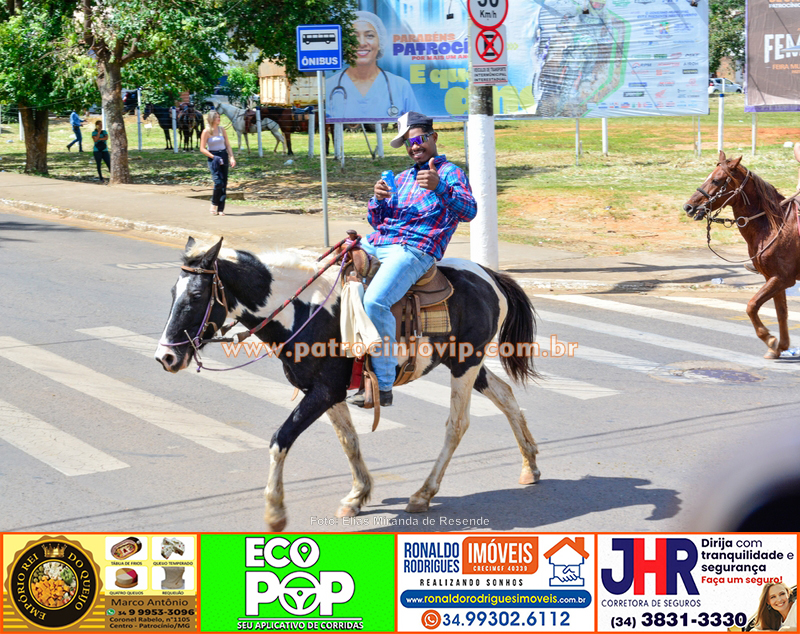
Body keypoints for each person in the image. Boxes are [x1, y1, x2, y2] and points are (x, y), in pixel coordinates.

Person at [347, 111, 477, 407]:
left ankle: (382, 384)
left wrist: (439, 187)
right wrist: (377, 199)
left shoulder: (450, 173)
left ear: (433, 137)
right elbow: (378, 221)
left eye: (419, 139)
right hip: (379, 242)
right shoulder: (402, 178)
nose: (414, 146)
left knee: (376, 301)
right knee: (331, 272)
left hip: (415, 249)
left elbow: (470, 212)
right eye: (409, 142)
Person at [327, 11, 419, 121]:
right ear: (345, 44)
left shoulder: (400, 86)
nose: (361, 43)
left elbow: (418, 126)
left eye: (369, 36)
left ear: (380, 42)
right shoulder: (328, 87)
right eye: (353, 36)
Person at [199, 110, 236, 215]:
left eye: (219, 117)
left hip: (223, 155)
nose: (219, 119)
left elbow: (227, 145)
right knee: (218, 182)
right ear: (211, 119)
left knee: (224, 183)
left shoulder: (222, 129)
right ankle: (214, 204)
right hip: (213, 157)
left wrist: (231, 157)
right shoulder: (206, 131)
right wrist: (213, 157)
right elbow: (202, 148)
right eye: (217, 117)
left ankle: (220, 209)